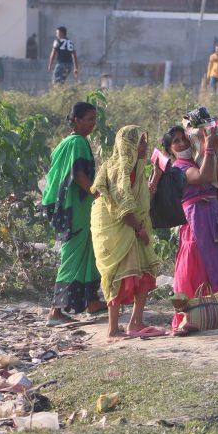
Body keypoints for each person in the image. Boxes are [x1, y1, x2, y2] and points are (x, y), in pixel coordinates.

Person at [157, 124, 218, 303]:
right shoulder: (179, 168)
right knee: (195, 263)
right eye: (176, 142)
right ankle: (189, 309)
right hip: (195, 222)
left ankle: (210, 309)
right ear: (169, 149)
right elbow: (202, 178)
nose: (182, 144)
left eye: (184, 139)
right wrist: (211, 146)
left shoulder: (197, 162)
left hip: (213, 218)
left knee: (212, 264)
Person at [90, 126, 162, 340]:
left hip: (131, 224)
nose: (144, 146)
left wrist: (157, 175)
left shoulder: (136, 169)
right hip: (115, 226)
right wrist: (140, 230)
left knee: (144, 269)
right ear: (126, 145)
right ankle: (112, 329)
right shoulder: (117, 170)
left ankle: (136, 322)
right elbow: (124, 207)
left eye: (144, 141)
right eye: (139, 142)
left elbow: (141, 198)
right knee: (117, 274)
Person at [42, 102, 104, 325]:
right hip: (72, 208)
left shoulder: (69, 142)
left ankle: (91, 301)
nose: (93, 124)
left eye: (94, 119)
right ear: (76, 120)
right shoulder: (77, 142)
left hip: (76, 206)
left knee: (88, 251)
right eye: (89, 119)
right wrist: (97, 194)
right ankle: (56, 311)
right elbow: (77, 173)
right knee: (72, 254)